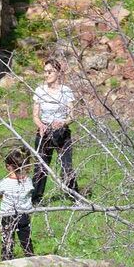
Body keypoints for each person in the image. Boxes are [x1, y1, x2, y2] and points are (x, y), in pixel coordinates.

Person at [31, 58, 79, 204]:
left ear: (58, 72)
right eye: (45, 72)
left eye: (50, 71)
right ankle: (35, 200)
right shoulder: (40, 90)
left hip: (62, 133)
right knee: (41, 166)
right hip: (44, 133)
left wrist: (63, 122)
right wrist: (40, 125)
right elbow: (35, 115)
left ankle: (75, 197)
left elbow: (72, 115)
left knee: (66, 166)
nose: (47, 75)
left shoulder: (66, 91)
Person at [0, 147, 35, 261]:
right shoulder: (28, 181)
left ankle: (6, 259)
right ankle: (30, 257)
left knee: (7, 239)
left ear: (8, 166)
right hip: (24, 214)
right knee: (26, 239)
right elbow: (30, 193)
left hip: (7, 215)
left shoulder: (5, 183)